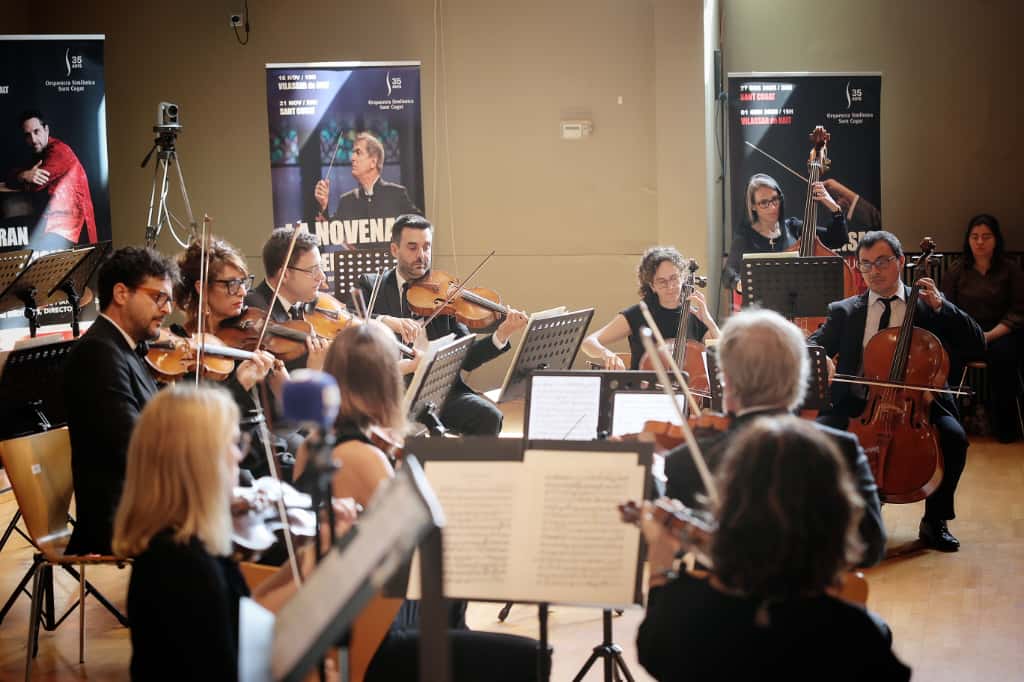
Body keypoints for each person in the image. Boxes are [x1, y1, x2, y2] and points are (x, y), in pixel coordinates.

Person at [293, 321, 544, 681]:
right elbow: (414, 537)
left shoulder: (312, 444)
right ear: (387, 385)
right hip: (372, 622)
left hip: (337, 605)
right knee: (523, 657)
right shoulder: (365, 457)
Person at [637, 416, 911, 682]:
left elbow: (654, 652)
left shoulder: (685, 616)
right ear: (838, 514)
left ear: (726, 505)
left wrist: (660, 557)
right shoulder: (854, 633)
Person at [112, 384, 357, 681]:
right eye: (231, 443)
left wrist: (312, 555)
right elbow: (238, 662)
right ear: (198, 461)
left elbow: (247, 613)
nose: (239, 457)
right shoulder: (181, 565)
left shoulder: (187, 545)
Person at [663, 307, 886, 567]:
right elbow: (870, 549)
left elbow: (674, 549)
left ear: (727, 382)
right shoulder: (841, 448)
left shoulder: (688, 458)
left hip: (722, 606)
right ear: (799, 380)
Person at [809, 230, 985, 551]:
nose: (874, 271)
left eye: (882, 262)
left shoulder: (929, 307)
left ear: (900, 262)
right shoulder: (846, 311)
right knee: (816, 435)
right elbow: (810, 346)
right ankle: (849, 514)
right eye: (865, 264)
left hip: (919, 406)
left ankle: (935, 521)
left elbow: (977, 343)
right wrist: (821, 359)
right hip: (858, 407)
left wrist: (943, 306)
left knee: (954, 438)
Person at [356, 214, 529, 436]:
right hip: (391, 394)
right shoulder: (373, 285)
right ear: (394, 250)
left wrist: (502, 334)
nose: (421, 256)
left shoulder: (444, 292)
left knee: (489, 417)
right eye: (412, 247)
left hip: (441, 390)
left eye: (426, 247)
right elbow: (351, 318)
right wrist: (388, 321)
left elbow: (467, 359)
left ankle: (462, 471)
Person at [62, 246, 177, 554]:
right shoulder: (98, 352)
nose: (167, 309)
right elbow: (133, 444)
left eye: (169, 299)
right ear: (121, 293)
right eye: (158, 297)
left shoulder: (125, 348)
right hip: (121, 517)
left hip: (144, 502)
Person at [174, 237, 288, 478]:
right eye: (231, 284)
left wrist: (283, 391)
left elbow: (279, 422)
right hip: (225, 462)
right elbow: (199, 426)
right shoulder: (183, 349)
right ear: (201, 288)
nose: (243, 292)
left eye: (244, 282)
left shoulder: (245, 338)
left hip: (264, 449)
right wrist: (240, 383)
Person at [941, 214, 1024, 442]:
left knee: (1005, 357)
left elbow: (1018, 310)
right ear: (968, 240)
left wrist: (989, 336)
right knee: (947, 357)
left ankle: (1006, 429)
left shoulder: (1010, 269)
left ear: (996, 239)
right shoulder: (957, 270)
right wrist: (970, 334)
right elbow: (947, 309)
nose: (980, 242)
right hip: (965, 333)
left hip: (1000, 333)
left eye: (986, 237)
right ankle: (950, 428)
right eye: (975, 237)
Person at [581, 246, 719, 370]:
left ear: (682, 277)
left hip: (689, 397)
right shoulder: (639, 314)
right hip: (645, 396)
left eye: (674, 278)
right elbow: (588, 342)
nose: (670, 287)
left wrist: (709, 322)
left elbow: (727, 356)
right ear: (652, 286)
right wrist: (606, 354)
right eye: (662, 282)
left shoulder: (694, 315)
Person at [723, 173, 848, 300]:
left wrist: (835, 209)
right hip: (760, 312)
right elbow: (728, 273)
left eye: (775, 199)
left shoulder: (794, 228)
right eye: (764, 203)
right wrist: (739, 284)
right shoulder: (745, 238)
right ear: (753, 206)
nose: (772, 207)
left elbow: (838, 239)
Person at [1, 110, 97, 245]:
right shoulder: (38, 153)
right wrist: (23, 175)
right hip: (57, 225)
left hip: (73, 229)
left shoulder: (59, 151)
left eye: (36, 131)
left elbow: (35, 185)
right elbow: (11, 176)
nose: (33, 139)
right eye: (28, 135)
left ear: (46, 130)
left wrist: (23, 176)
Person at [245, 227, 330, 371]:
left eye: (321, 267)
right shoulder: (256, 309)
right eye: (313, 270)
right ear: (284, 274)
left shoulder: (303, 305)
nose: (322, 277)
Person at [313, 131, 420, 225]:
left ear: (373, 162)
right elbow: (331, 235)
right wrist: (323, 205)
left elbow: (421, 225)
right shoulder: (346, 201)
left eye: (358, 153)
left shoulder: (397, 194)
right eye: (353, 153)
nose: (352, 158)